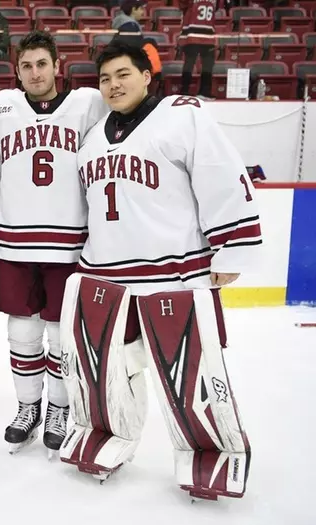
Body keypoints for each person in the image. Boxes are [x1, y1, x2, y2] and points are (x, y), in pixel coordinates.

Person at [62, 42, 259, 500]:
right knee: (105, 374)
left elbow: (220, 171)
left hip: (174, 273)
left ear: (147, 75)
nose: (113, 85)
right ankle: (108, 436)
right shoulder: (92, 137)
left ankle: (213, 454)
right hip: (106, 277)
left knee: (190, 374)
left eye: (123, 74)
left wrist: (231, 247)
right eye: (106, 78)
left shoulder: (181, 115)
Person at [0, 30, 108, 456]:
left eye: (42, 64)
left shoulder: (87, 104)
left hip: (67, 241)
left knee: (60, 335)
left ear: (57, 66)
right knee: (22, 332)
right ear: (17, 71)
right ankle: (27, 407)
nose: (35, 73)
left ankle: (58, 407)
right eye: (26, 66)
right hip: (14, 240)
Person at [177, 0, 217, 99]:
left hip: (204, 34)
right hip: (195, 33)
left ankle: (203, 91)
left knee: (206, 64)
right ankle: (186, 90)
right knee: (190, 63)